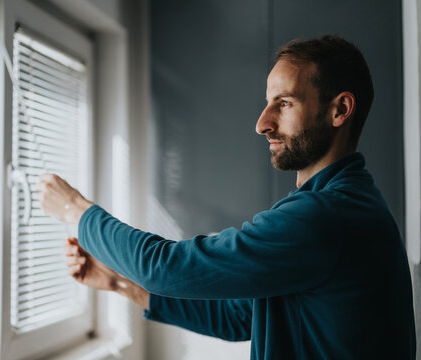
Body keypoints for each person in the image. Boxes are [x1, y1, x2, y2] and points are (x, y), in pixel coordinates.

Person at [36, 35, 416, 359]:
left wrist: (76, 210)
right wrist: (121, 284)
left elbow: (167, 268)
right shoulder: (351, 203)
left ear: (339, 110)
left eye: (284, 103)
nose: (262, 123)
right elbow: (242, 317)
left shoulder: (325, 216)